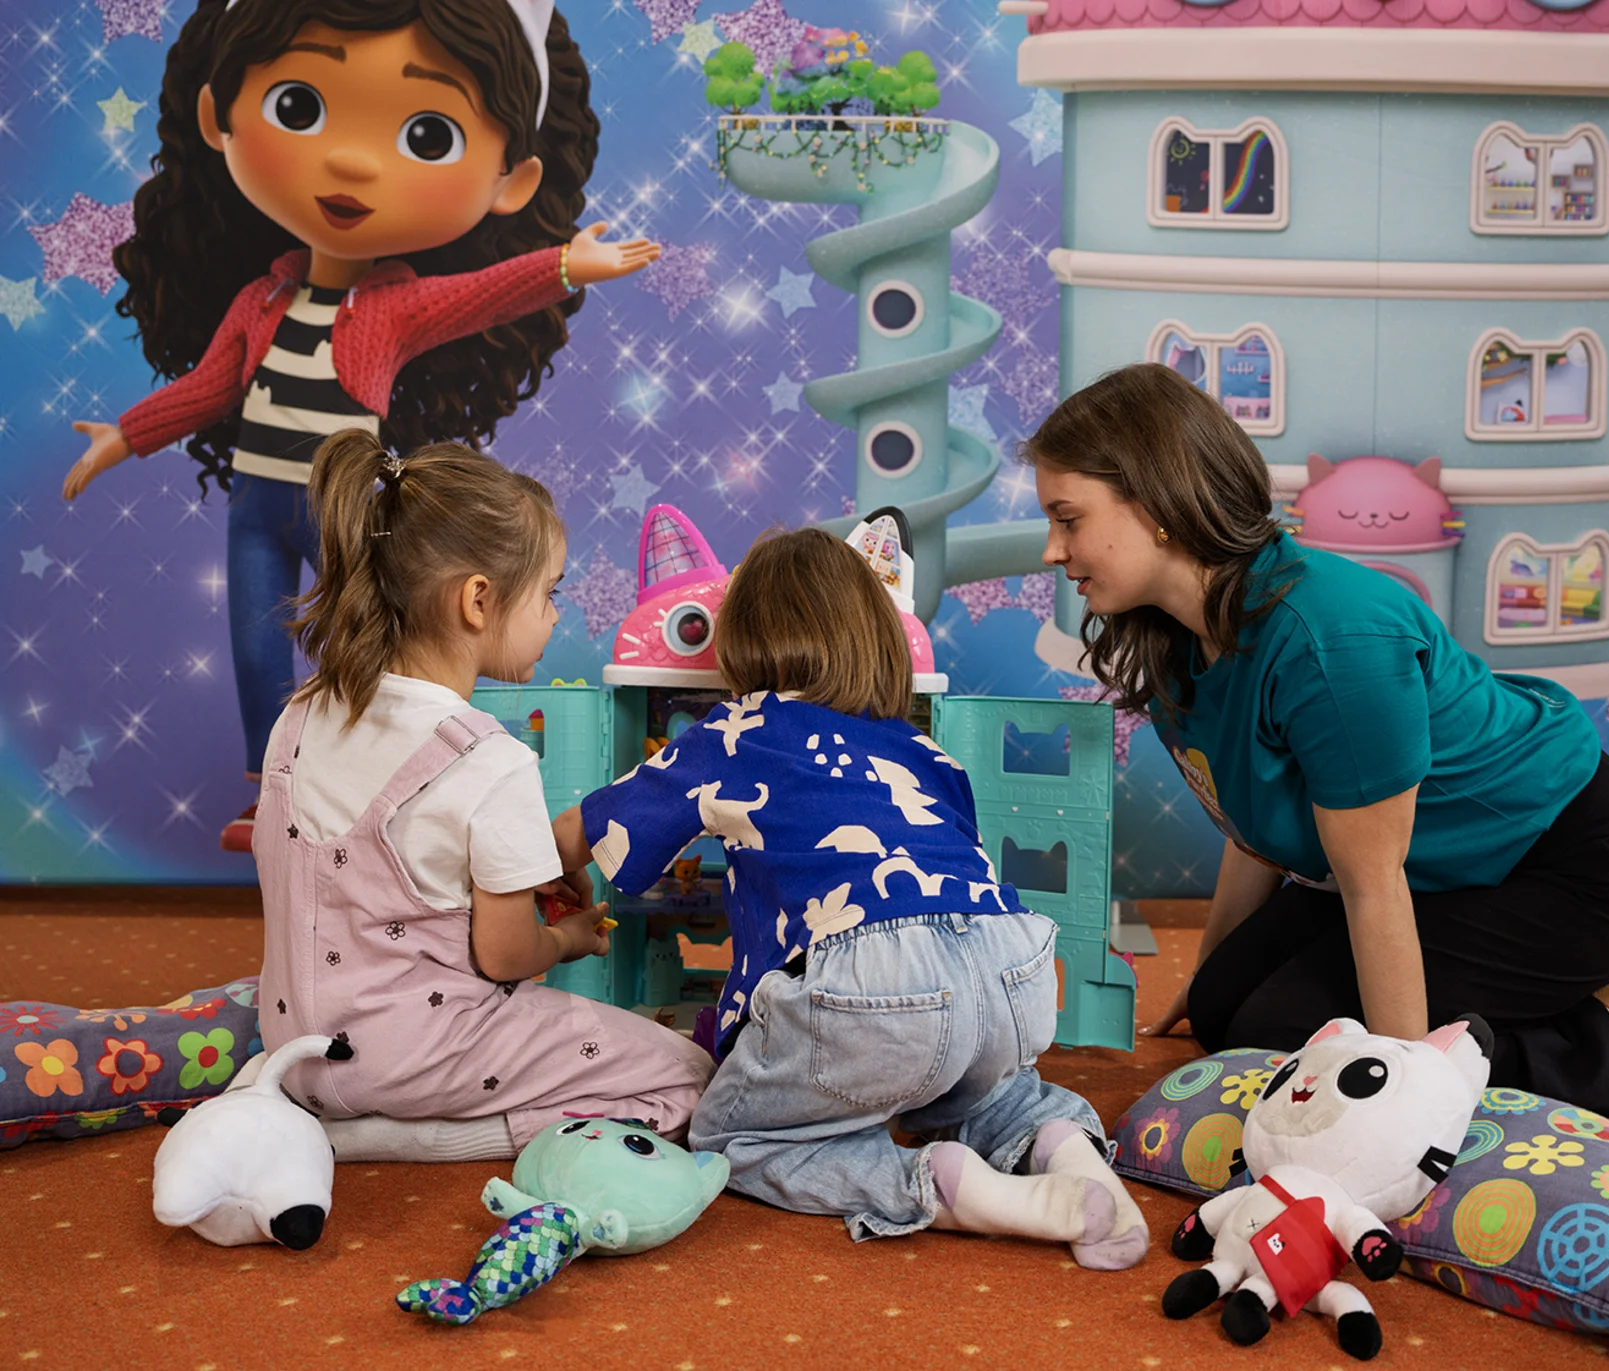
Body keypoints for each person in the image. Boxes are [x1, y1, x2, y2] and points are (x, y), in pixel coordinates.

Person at [1025, 363, 1609, 1118]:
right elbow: (1252, 821)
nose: (1051, 550)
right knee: (1231, 1013)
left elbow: (1375, 880)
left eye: (1068, 518)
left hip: (1572, 869)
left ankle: (1607, 1051)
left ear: (1157, 501)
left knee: (1284, 1027)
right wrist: (1208, 987)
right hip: (1437, 872)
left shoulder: (1332, 634)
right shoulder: (1177, 640)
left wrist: (1400, 1089)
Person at [60, 0, 658, 852]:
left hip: (340, 499)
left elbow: (480, 294)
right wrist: (126, 433)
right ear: (216, 118)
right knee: (259, 645)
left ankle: (370, 781)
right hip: (256, 503)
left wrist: (567, 263)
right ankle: (270, 788)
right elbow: (208, 388)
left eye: (425, 134)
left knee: (370, 641)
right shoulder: (260, 299)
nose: (345, 159)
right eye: (297, 109)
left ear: (509, 182)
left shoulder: (398, 305)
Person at [553, 528, 1148, 1267]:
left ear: (744, 642)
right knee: (993, 1093)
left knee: (733, 1137)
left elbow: (595, 825)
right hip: (1010, 971)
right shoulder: (922, 748)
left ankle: (936, 1185)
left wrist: (539, 864)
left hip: (876, 987)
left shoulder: (735, 729)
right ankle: (1067, 1152)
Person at [254, 430, 712, 1162]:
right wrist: (567, 936)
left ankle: (312, 1108)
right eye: (549, 593)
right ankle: (408, 1138)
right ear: (478, 600)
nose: (556, 616)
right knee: (688, 1079)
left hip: (296, 1046)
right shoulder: (488, 758)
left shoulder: (300, 712)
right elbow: (504, 957)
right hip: (415, 1061)